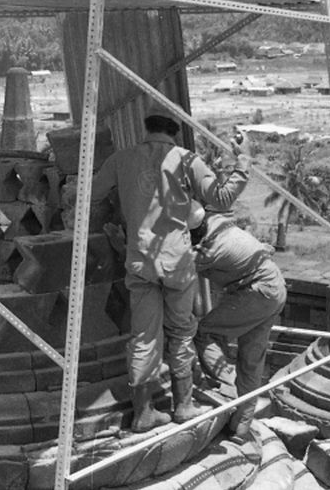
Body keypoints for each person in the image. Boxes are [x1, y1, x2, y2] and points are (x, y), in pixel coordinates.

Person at [91, 103, 250, 432]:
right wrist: (241, 161)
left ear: (146, 129)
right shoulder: (186, 159)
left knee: (143, 338)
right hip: (177, 263)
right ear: (174, 133)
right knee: (180, 334)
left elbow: (89, 193)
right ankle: (183, 406)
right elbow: (221, 199)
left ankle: (143, 413)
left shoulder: (121, 158)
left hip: (139, 262)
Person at [188, 201, 286, 441]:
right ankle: (242, 425)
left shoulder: (210, 250)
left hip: (257, 292)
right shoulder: (223, 227)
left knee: (205, 333)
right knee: (251, 360)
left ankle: (228, 386)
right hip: (275, 286)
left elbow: (172, 269)